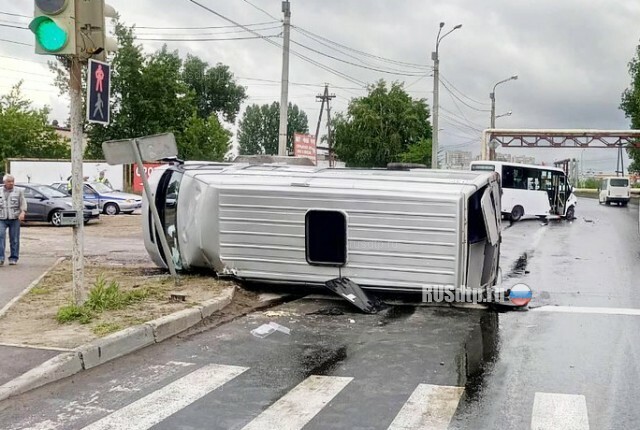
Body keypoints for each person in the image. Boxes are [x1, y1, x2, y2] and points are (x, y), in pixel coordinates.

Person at [0, 174, 27, 266]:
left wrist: (22, 212)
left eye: (12, 181)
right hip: (1, 218)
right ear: (4, 182)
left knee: (14, 239)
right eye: (9, 181)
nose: (11, 183)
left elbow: (23, 202)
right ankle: (1, 258)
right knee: (0, 237)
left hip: (14, 218)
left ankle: (13, 258)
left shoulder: (19, 191)